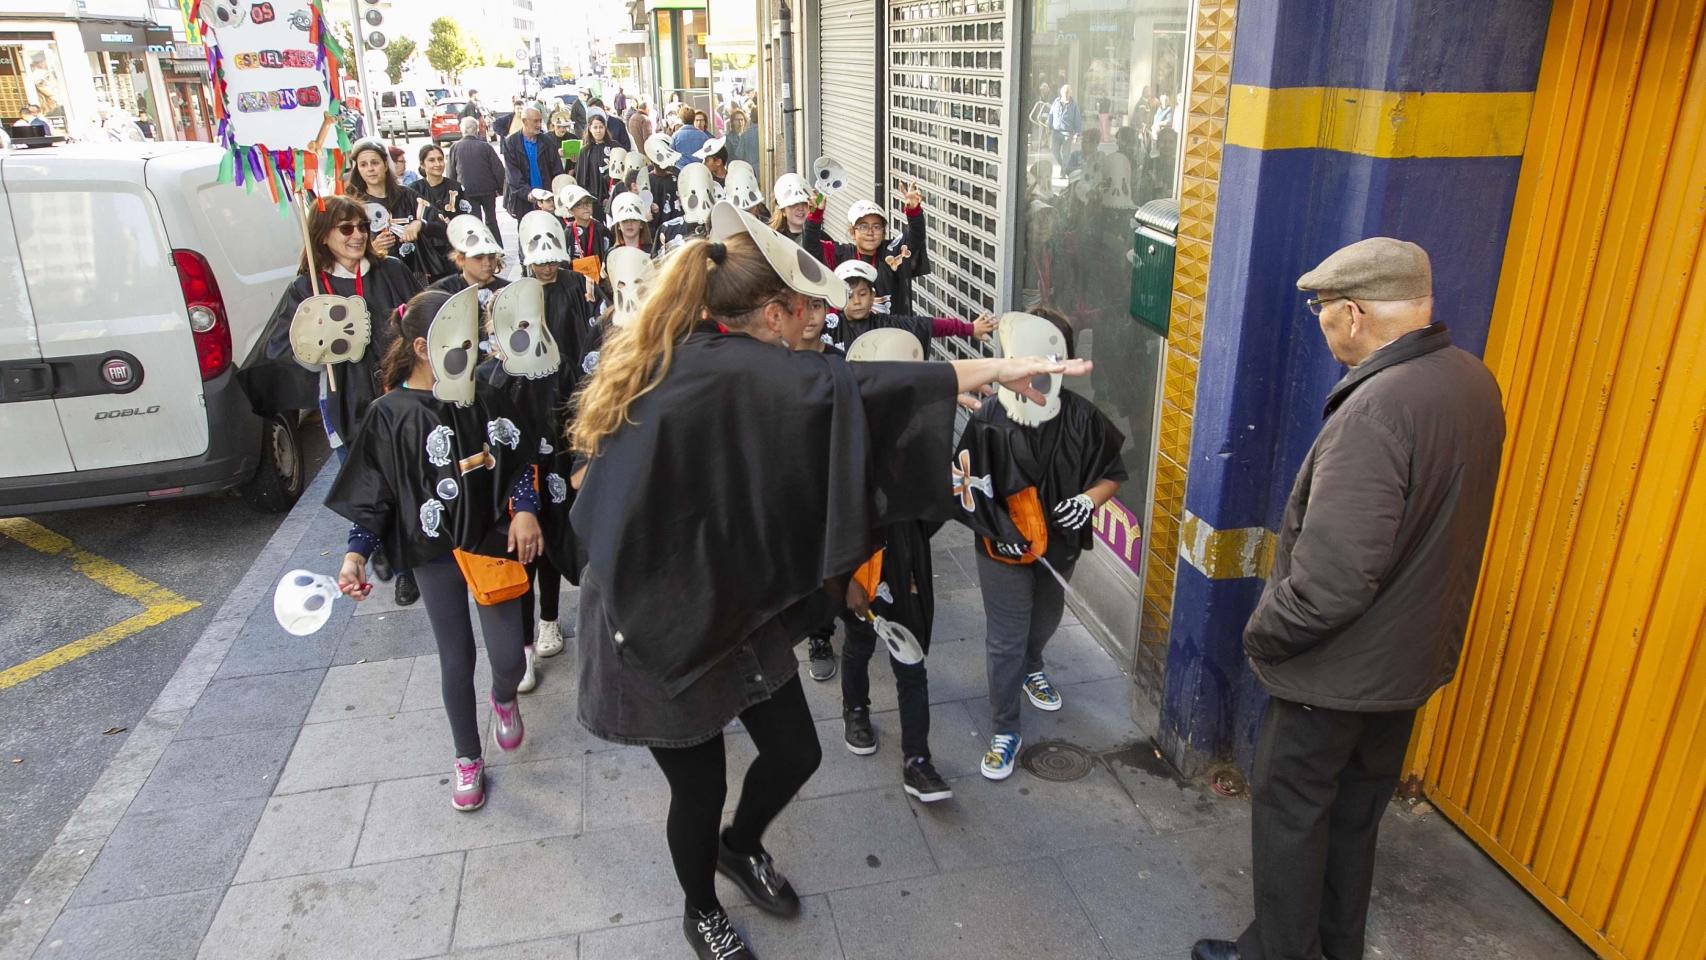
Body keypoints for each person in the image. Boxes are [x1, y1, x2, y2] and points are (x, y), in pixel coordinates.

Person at [568, 199, 1088, 959]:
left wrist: (837, 577)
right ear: (771, 315)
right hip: (653, 620)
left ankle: (739, 846)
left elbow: (805, 447)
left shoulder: (724, 357)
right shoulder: (727, 370)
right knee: (700, 786)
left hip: (727, 602)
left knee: (795, 754)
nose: (821, 318)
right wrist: (997, 367)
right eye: (809, 306)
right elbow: (856, 392)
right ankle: (698, 909)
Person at [1192, 239, 1505, 960]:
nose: (1322, 324)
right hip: (1404, 666)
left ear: (1356, 315)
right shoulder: (1469, 379)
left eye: (1323, 311)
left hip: (1333, 676)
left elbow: (1331, 582)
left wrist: (1261, 636)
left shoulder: (1375, 412)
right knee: (1353, 820)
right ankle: (1335, 948)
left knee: (1293, 820)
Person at [327, 287, 543, 812]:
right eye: (466, 339)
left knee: (508, 657)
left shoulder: (484, 393)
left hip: (490, 541)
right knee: (456, 655)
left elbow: (516, 456)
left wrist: (525, 508)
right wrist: (356, 553)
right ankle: (467, 755)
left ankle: (504, 697)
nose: (480, 348)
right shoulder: (387, 414)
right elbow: (374, 492)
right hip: (430, 551)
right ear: (425, 347)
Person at [954, 308, 1127, 781]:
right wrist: (998, 531)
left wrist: (1089, 502)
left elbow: (1112, 473)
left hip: (1059, 547)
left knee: (1045, 619)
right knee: (1006, 637)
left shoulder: (1084, 419)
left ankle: (1034, 666)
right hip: (1001, 550)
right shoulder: (990, 417)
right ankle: (1004, 728)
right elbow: (963, 483)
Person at [251, 196, 424, 605]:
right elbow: (282, 349)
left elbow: (423, 320)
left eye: (361, 225)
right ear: (324, 236)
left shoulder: (392, 271)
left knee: (403, 484)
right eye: (346, 228)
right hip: (344, 404)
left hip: (395, 399)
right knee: (368, 486)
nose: (358, 235)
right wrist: (313, 348)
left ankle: (405, 565)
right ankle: (381, 547)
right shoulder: (307, 288)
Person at [803, 183, 933, 315]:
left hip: (892, 331)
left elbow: (916, 236)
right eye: (863, 227)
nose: (870, 232)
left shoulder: (892, 252)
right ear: (853, 233)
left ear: (883, 232)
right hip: (849, 333)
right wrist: (816, 212)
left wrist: (914, 211)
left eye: (876, 227)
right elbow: (811, 246)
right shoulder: (841, 255)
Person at [821, 260, 993, 354]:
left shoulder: (887, 324)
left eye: (863, 294)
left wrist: (969, 328)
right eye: (849, 296)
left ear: (873, 296)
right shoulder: (829, 326)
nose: (857, 301)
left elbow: (926, 325)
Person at [345, 139, 444, 283]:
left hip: (413, 273)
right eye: (363, 165)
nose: (370, 169)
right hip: (375, 278)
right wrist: (371, 248)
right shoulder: (354, 205)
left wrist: (420, 224)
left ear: (385, 165)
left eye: (375, 162)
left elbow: (442, 226)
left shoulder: (408, 195)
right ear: (358, 170)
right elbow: (343, 247)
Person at [502, 106, 565, 229]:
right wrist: (528, 193)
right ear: (525, 121)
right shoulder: (511, 143)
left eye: (540, 121)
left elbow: (557, 169)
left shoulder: (547, 141)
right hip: (525, 200)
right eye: (535, 121)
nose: (539, 124)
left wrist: (555, 194)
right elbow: (512, 175)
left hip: (547, 199)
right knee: (528, 235)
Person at [446, 118, 505, 244]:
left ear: (462, 130)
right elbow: (498, 169)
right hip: (487, 189)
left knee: (474, 220)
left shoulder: (455, 148)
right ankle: (497, 247)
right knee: (491, 220)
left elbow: (451, 173)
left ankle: (479, 247)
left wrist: (453, 193)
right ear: (476, 130)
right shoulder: (485, 147)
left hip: (467, 190)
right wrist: (500, 188)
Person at [412, 143, 464, 283]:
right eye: (431, 160)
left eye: (440, 159)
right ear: (422, 164)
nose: (437, 163)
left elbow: (466, 218)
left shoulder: (455, 187)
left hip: (453, 249)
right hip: (428, 253)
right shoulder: (413, 190)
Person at [575, 108, 617, 220]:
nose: (598, 131)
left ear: (605, 128)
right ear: (590, 129)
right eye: (595, 127)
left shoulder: (614, 147)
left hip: (613, 198)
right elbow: (582, 180)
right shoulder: (585, 151)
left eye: (601, 127)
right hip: (594, 200)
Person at [767, 174, 813, 245]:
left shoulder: (821, 237)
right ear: (783, 210)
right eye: (793, 204)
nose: (800, 208)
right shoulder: (772, 239)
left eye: (804, 203)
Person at [1048, 83, 1082, 173]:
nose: (1066, 94)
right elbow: (1051, 114)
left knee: (1066, 154)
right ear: (1061, 92)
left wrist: (1077, 134)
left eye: (1068, 92)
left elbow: (1077, 120)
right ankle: (1062, 166)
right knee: (1054, 152)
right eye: (1064, 92)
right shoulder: (1056, 102)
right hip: (1056, 132)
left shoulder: (1074, 105)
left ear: (1071, 93)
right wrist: (1049, 126)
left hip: (1067, 133)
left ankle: (1063, 171)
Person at [670, 106, 710, 171]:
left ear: (681, 119)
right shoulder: (704, 136)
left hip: (680, 170)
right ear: (694, 118)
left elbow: (671, 155)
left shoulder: (676, 136)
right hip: (699, 170)